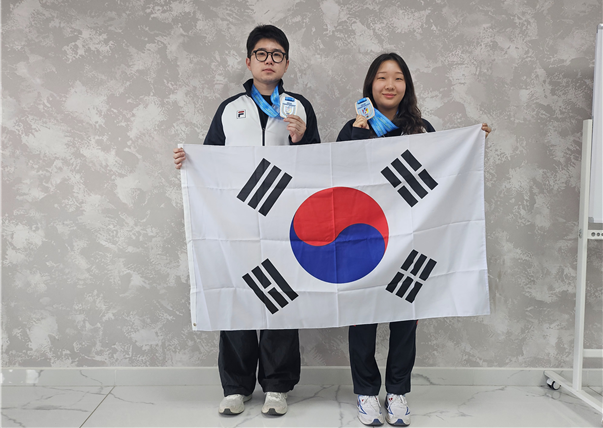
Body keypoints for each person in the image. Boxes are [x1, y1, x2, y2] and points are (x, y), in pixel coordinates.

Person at [336, 52, 491, 427]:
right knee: (363, 320)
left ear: (407, 86)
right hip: (365, 242)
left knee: (405, 321)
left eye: (398, 77)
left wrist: (470, 142)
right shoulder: (353, 127)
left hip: (410, 241)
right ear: (370, 85)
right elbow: (337, 179)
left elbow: (441, 174)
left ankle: (397, 392)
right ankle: (366, 392)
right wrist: (359, 132)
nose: (389, 85)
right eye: (382, 77)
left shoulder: (421, 130)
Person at [174, 25, 320, 416]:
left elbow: (319, 166)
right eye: (261, 53)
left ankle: (277, 385)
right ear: (249, 61)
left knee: (280, 297)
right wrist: (188, 161)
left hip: (284, 221)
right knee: (236, 296)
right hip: (236, 221)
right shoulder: (230, 108)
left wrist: (302, 139)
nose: (269, 60)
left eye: (277, 54)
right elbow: (211, 160)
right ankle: (236, 386)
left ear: (286, 63)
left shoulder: (299, 107)